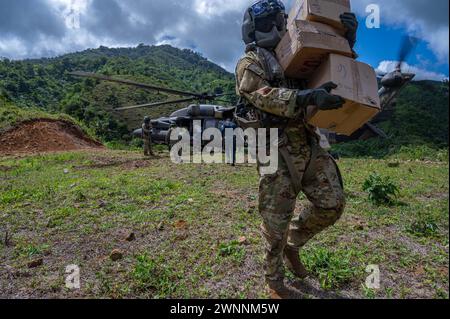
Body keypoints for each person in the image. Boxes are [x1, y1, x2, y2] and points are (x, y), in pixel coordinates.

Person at [235, 0, 358, 298]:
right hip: (276, 149)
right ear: (252, 30)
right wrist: (305, 97)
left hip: (310, 143)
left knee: (332, 204)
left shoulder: (299, 55)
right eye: (268, 24)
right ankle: (274, 280)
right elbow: (260, 94)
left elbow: (332, 68)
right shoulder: (251, 62)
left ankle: (294, 242)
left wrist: (346, 40)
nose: (276, 29)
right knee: (274, 222)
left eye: (280, 22)